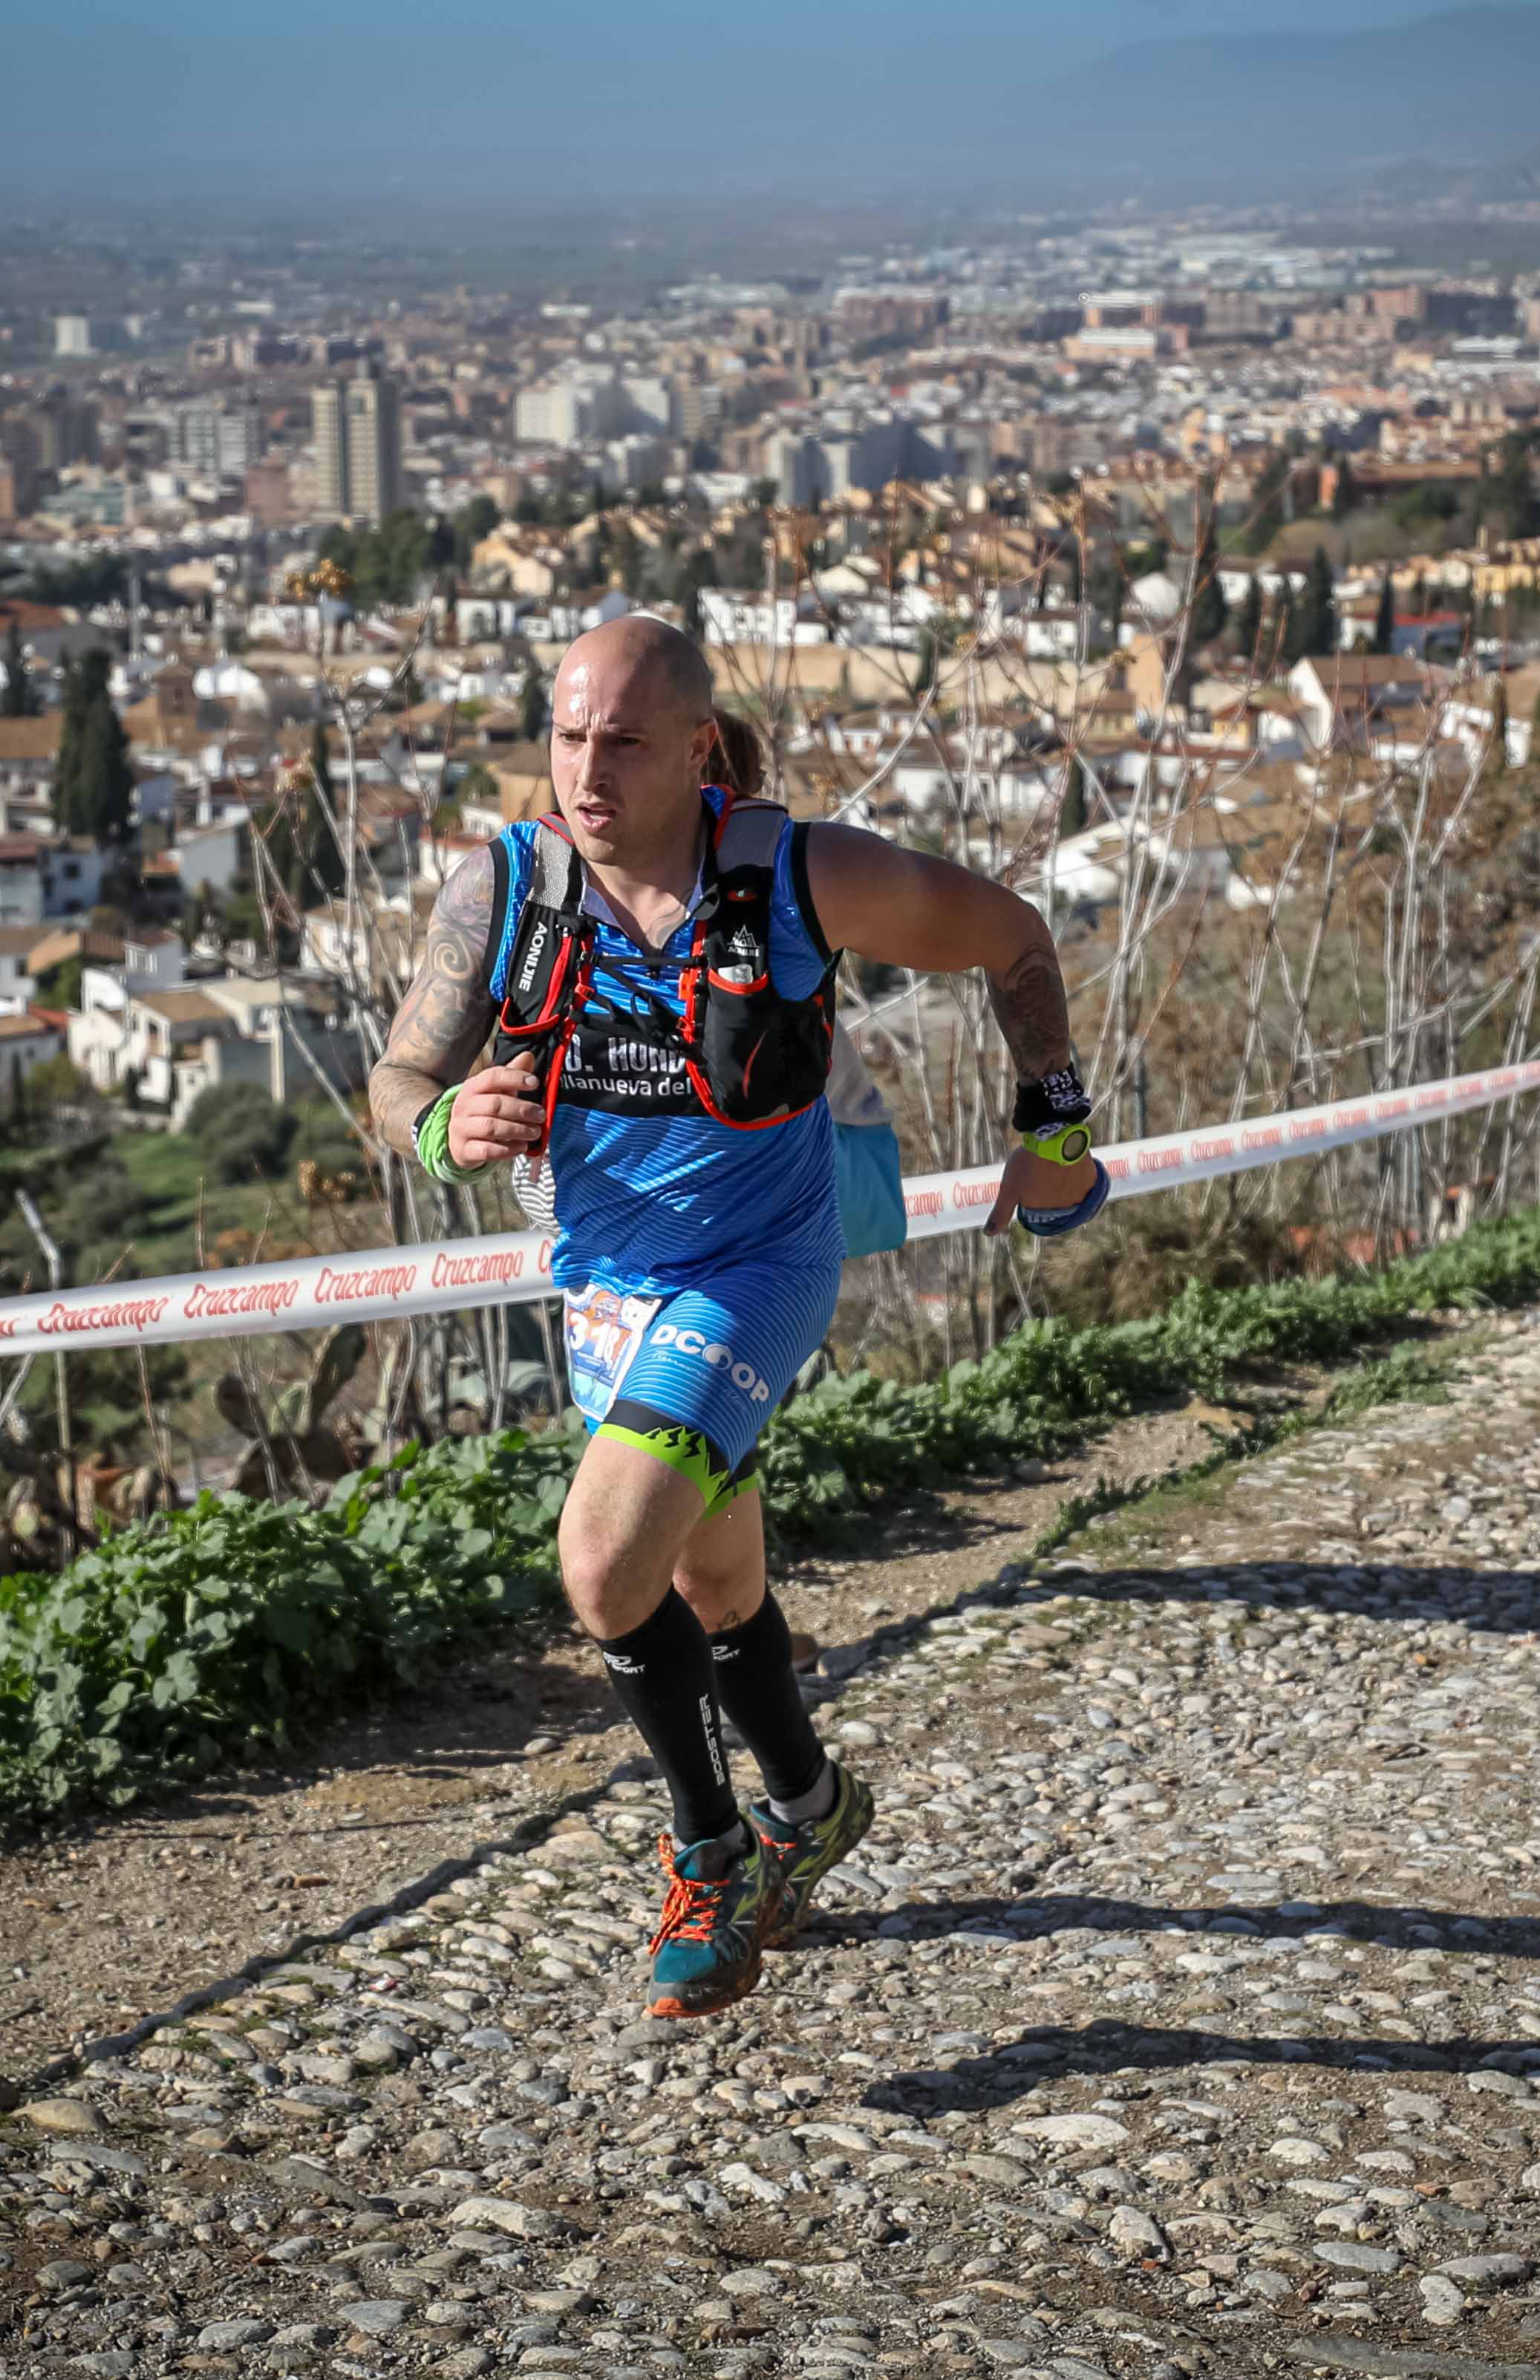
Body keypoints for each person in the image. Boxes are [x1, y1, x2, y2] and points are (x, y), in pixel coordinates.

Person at [368, 613, 1104, 2020]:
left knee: (599, 1566)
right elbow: (398, 1081)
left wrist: (1053, 1128)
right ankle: (812, 1801)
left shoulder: (797, 874)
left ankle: (713, 1854)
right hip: (604, 1287)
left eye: (624, 740)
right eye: (567, 736)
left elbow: (1011, 939)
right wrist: (444, 1121)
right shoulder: (509, 891)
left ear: (697, 745)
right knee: (710, 1584)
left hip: (762, 1265)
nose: (587, 772)